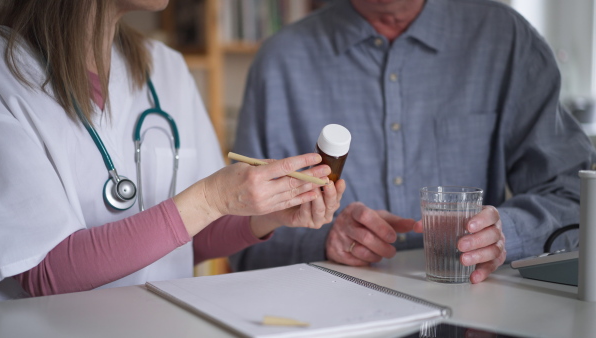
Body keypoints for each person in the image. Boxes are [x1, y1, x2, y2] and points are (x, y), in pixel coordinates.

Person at [0, 0, 346, 301]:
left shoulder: (165, 67)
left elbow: (194, 237)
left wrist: (265, 214)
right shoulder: (4, 73)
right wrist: (211, 199)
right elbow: (44, 273)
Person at [229, 0, 596, 284]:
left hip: (479, 308)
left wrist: (507, 233)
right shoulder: (280, 61)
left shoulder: (506, 39)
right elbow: (238, 241)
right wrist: (322, 242)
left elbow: (577, 198)